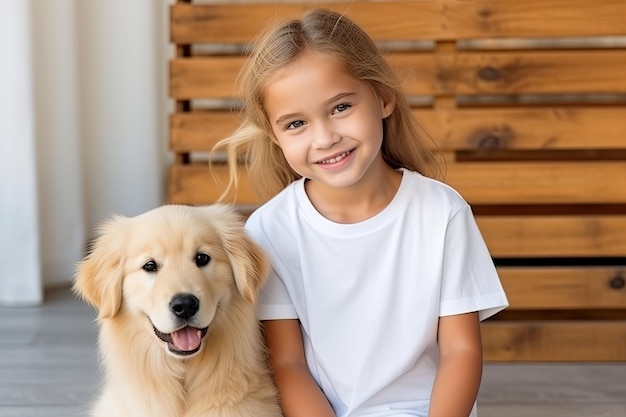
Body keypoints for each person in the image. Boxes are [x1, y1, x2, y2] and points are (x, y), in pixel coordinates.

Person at [215, 8, 509, 417]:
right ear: (273, 135)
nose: (325, 138)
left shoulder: (442, 213)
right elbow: (287, 364)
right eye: (296, 123)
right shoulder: (271, 230)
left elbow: (460, 350)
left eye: (340, 108)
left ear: (383, 97)